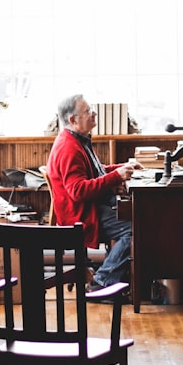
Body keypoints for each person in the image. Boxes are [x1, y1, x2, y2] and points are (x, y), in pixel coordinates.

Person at [46, 94, 140, 292]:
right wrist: (117, 176)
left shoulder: (76, 140)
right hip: (81, 214)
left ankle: (117, 274)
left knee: (136, 217)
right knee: (137, 228)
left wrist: (123, 167)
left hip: (91, 207)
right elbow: (78, 191)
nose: (94, 113)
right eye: (88, 111)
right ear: (73, 120)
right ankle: (103, 281)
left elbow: (96, 171)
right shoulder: (69, 148)